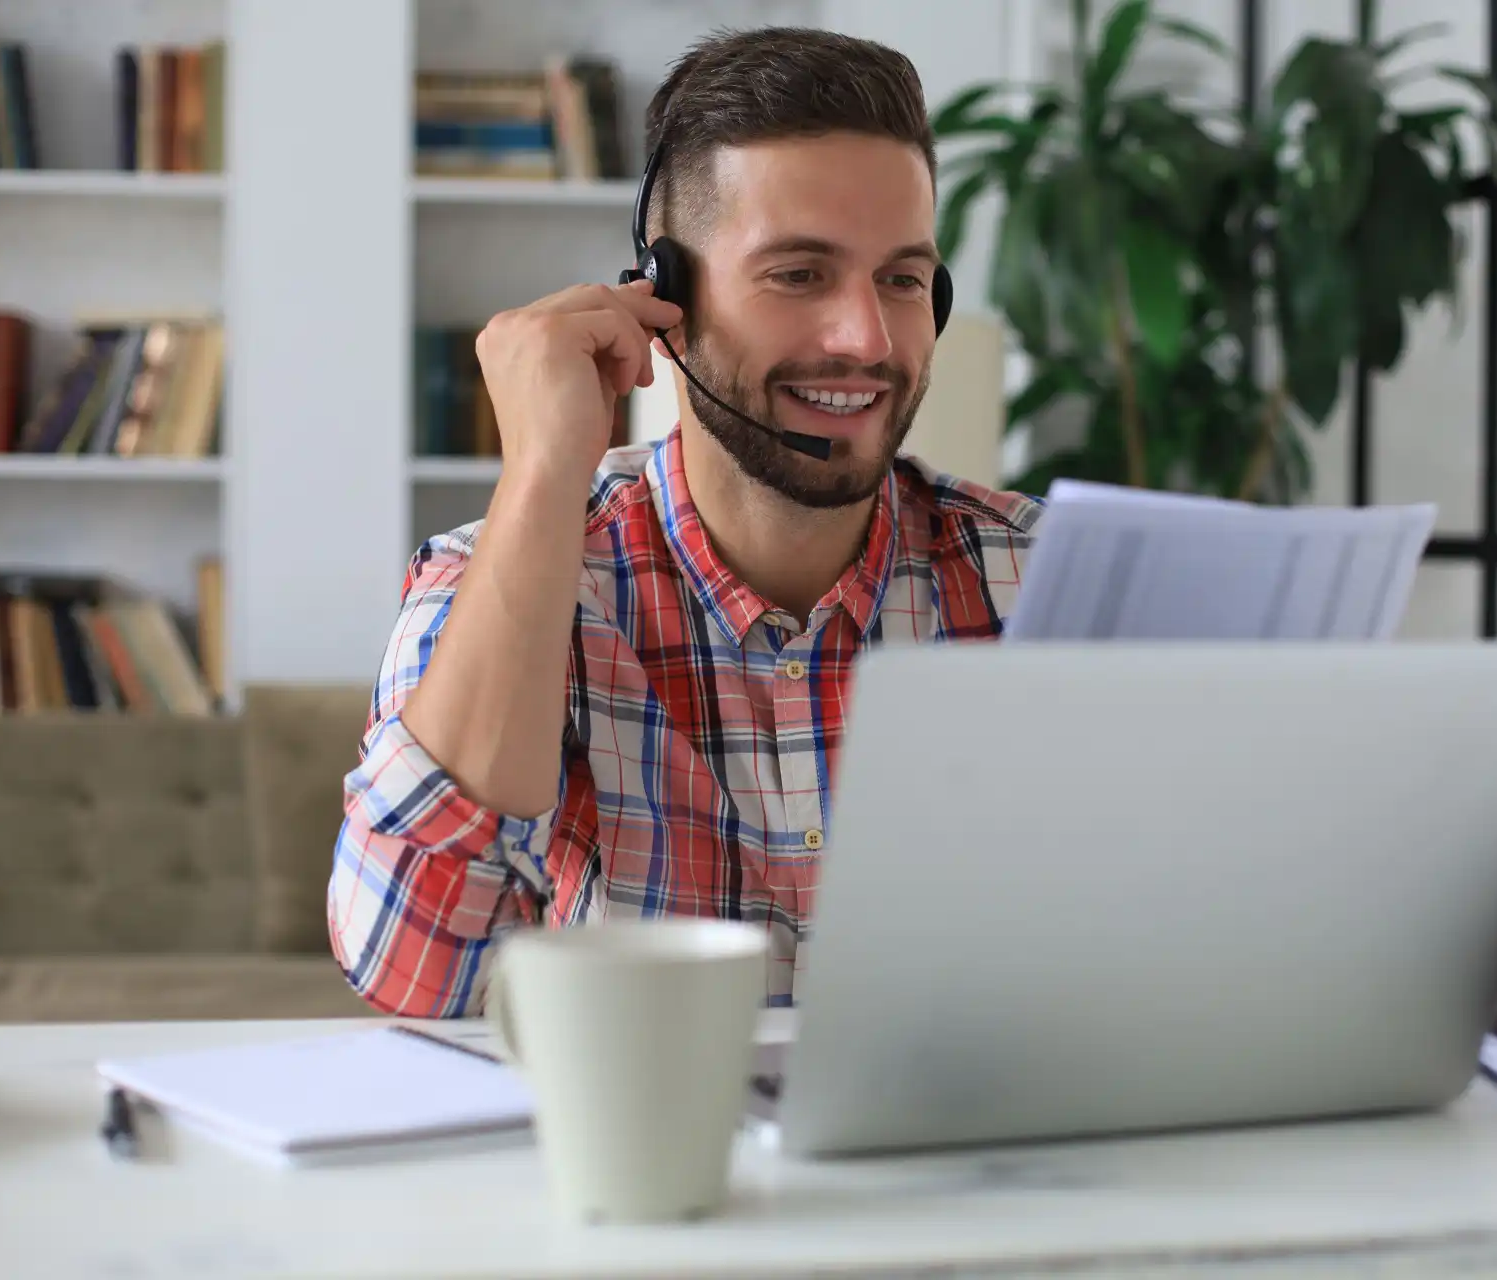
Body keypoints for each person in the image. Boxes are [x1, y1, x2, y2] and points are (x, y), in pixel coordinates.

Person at [326, 26, 1042, 1018]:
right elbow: (416, 969)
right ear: (662, 300)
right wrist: (543, 467)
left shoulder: (1041, 581)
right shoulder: (508, 573)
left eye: (903, 279)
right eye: (799, 274)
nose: (868, 339)